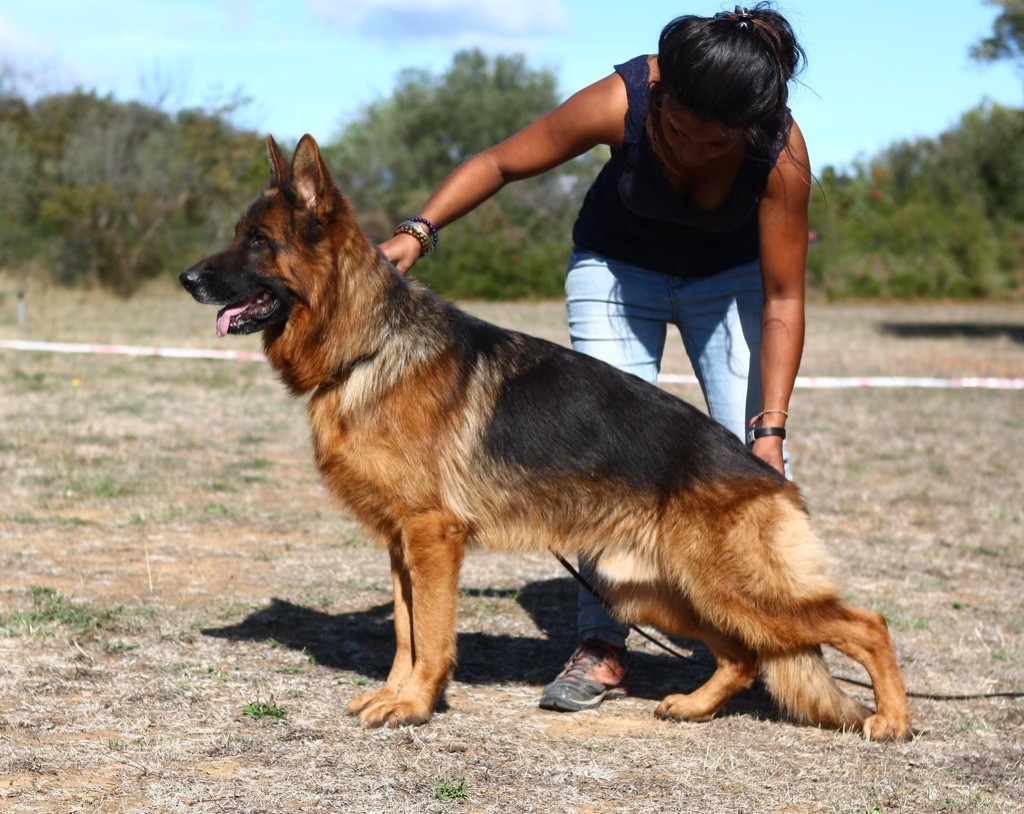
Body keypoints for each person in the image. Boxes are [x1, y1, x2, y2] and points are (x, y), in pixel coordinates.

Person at [381, 3, 810, 713]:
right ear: (663, 92)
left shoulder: (780, 153)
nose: (694, 151)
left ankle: (776, 641)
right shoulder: (623, 97)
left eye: (716, 144)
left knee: (752, 467)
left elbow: (784, 299)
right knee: (607, 456)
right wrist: (418, 232)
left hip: (728, 283)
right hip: (617, 270)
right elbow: (499, 162)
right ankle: (603, 647)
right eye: (678, 131)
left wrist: (770, 431)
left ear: (749, 129)